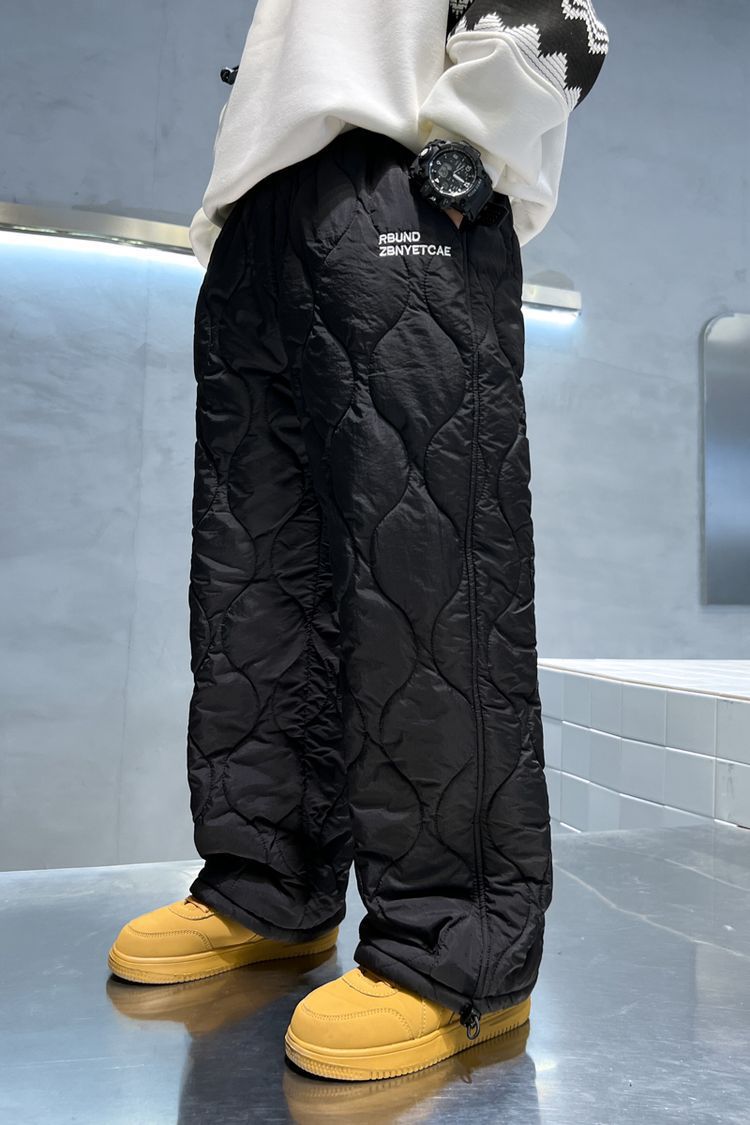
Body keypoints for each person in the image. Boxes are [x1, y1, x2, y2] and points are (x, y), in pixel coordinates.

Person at [108, 0, 609, 1081]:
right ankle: (268, 884)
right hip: (258, 217)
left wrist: (463, 150)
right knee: (254, 586)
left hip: (398, 187)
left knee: (426, 581)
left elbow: (565, 28)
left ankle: (458, 945)